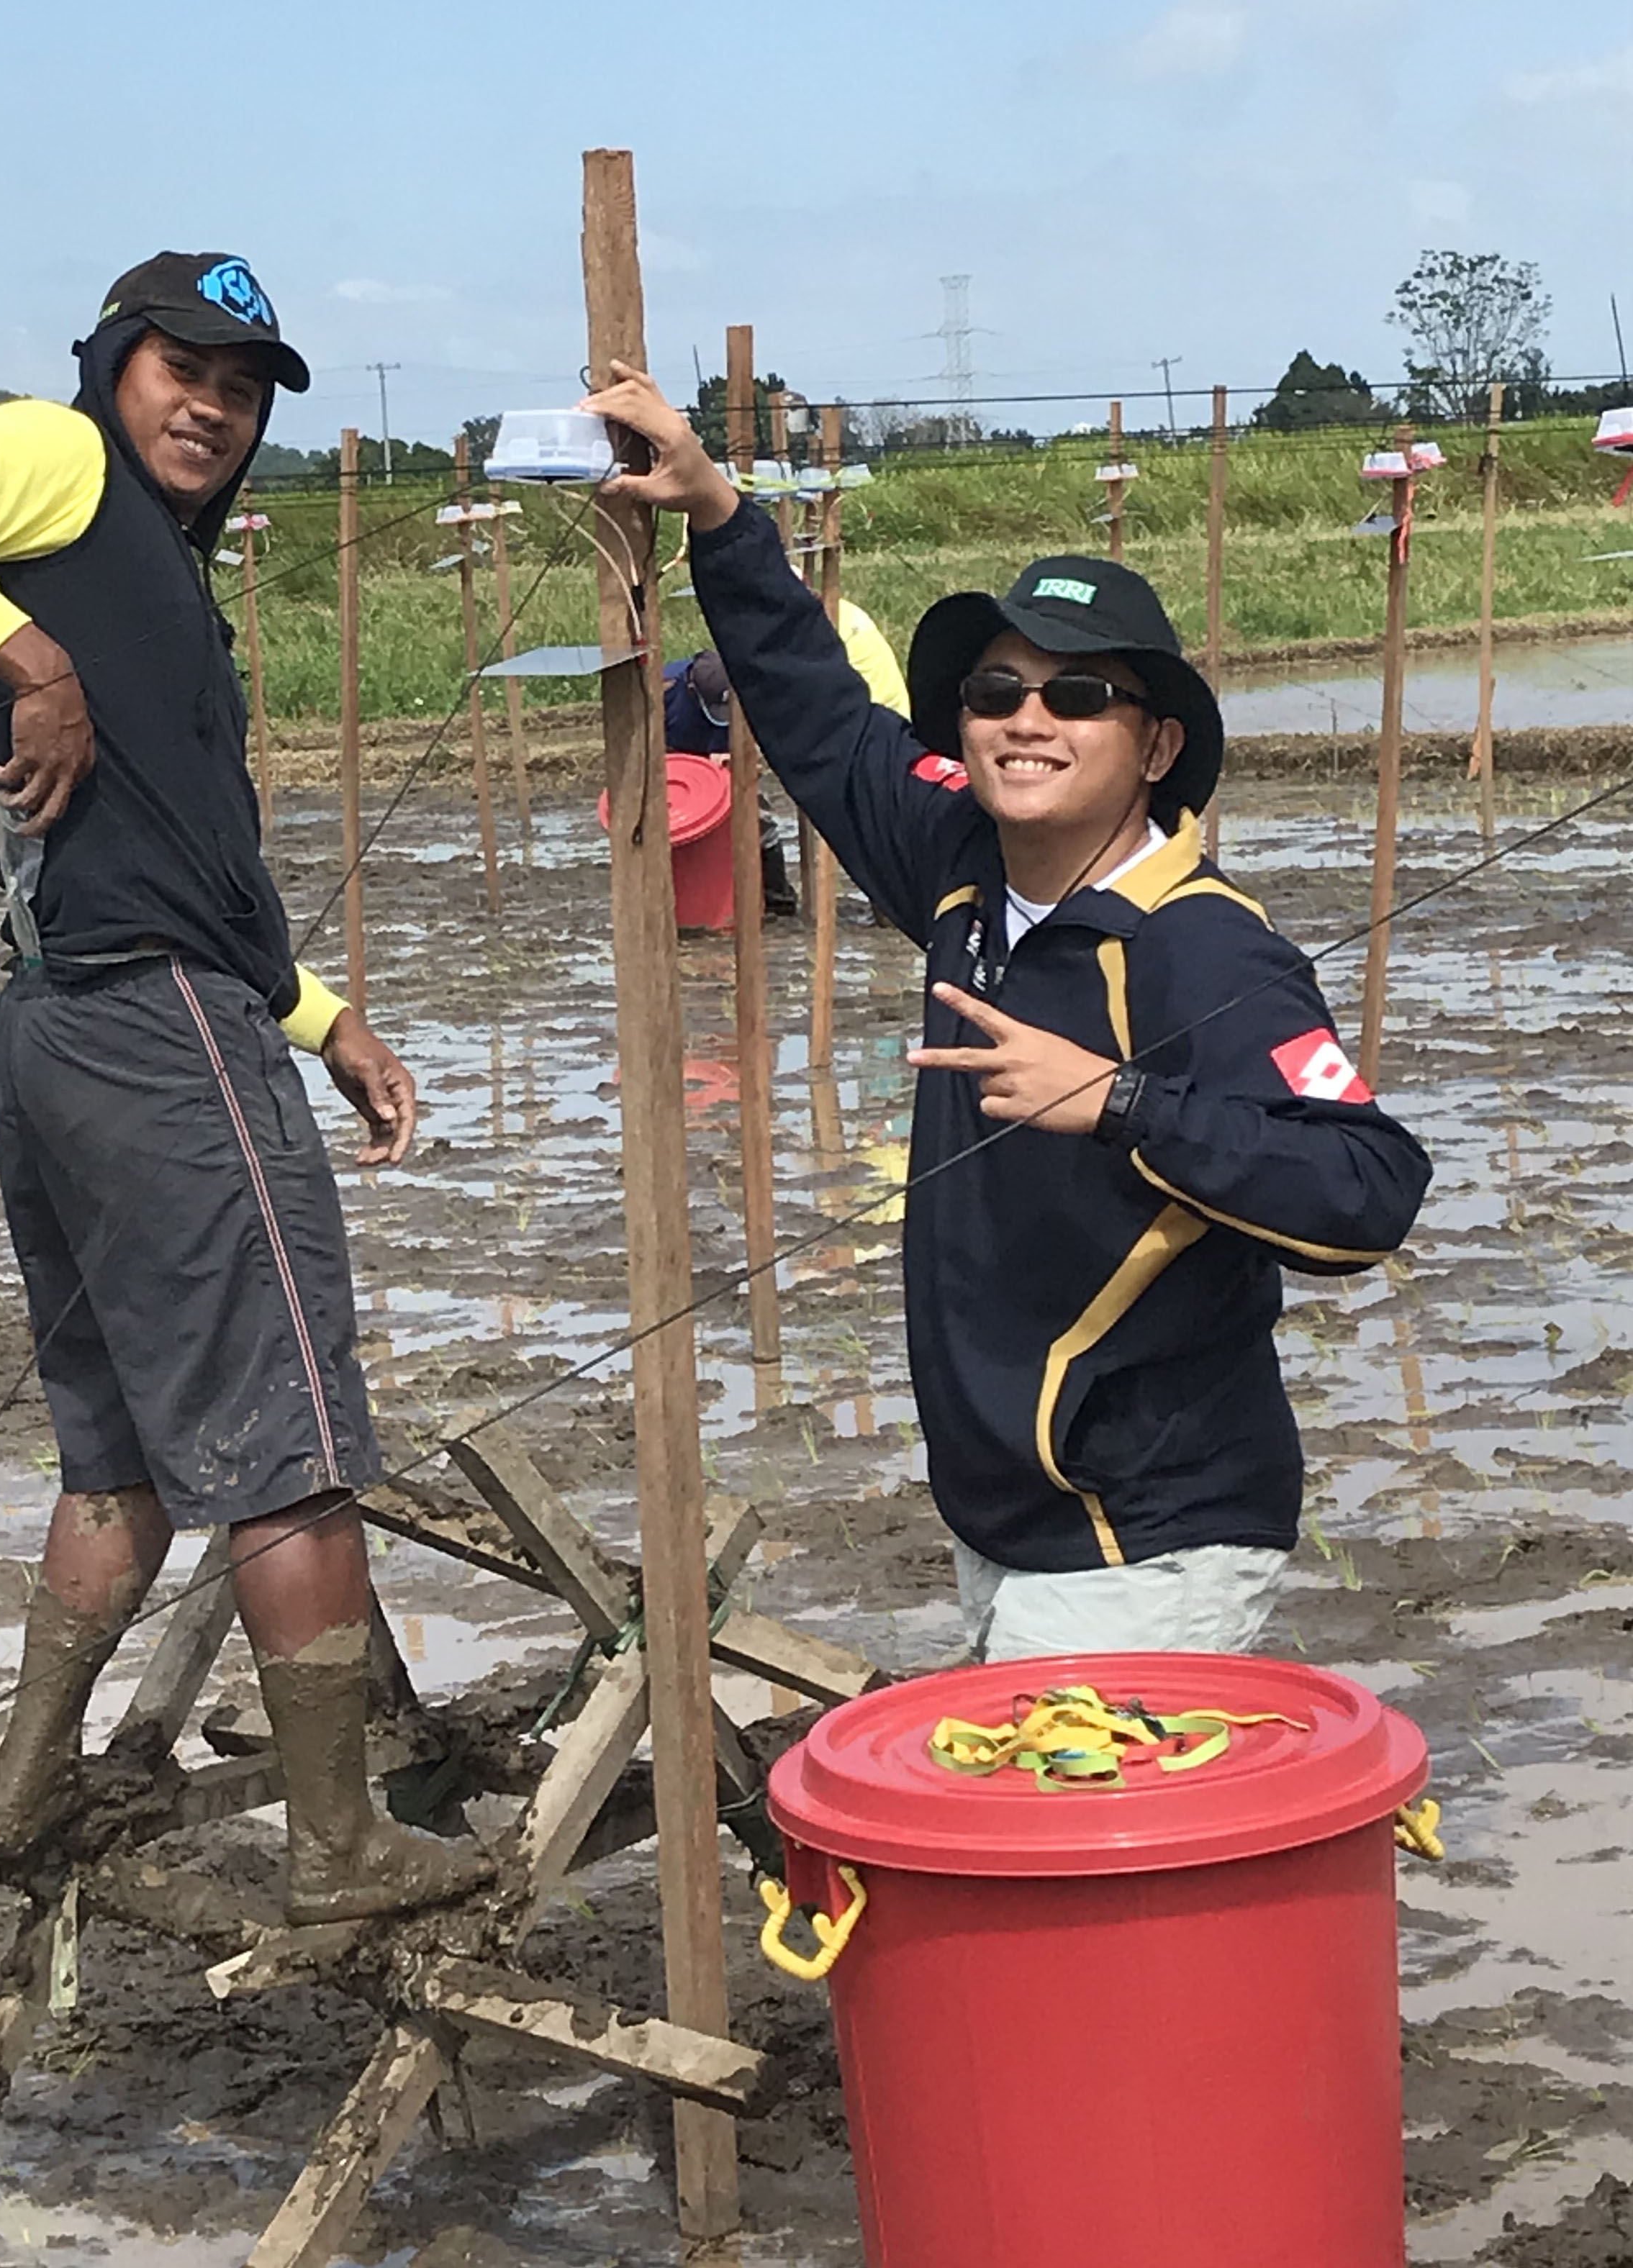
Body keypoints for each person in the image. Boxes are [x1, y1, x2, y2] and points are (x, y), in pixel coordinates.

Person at [0, 252, 489, 1918]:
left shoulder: (165, 576)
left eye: (243, 389)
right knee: (293, 1435)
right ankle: (337, 1844)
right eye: (186, 368)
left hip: (68, 1026)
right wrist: (17, 652)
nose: (214, 405)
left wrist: (324, 1023)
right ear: (118, 364)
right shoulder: (62, 466)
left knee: (112, 1446)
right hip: (152, 1036)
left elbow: (189, 861)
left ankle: (25, 1793)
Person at [582, 363, 1431, 1663]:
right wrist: (713, 511)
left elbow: (1366, 1185)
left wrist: (1117, 1101)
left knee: (1079, 1856)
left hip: (1150, 1537)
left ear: (1152, 745)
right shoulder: (961, 871)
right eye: (995, 691)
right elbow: (818, 717)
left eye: (1077, 695)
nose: (1026, 720)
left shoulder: (1200, 949)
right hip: (1007, 1521)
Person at [661, 650, 797, 914]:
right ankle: (680, 899)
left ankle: (778, 898)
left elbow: (759, 744)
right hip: (680, 763)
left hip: (727, 761)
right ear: (693, 690)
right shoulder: (664, 690)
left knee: (760, 818)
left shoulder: (745, 687)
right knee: (675, 829)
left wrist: (745, 760)